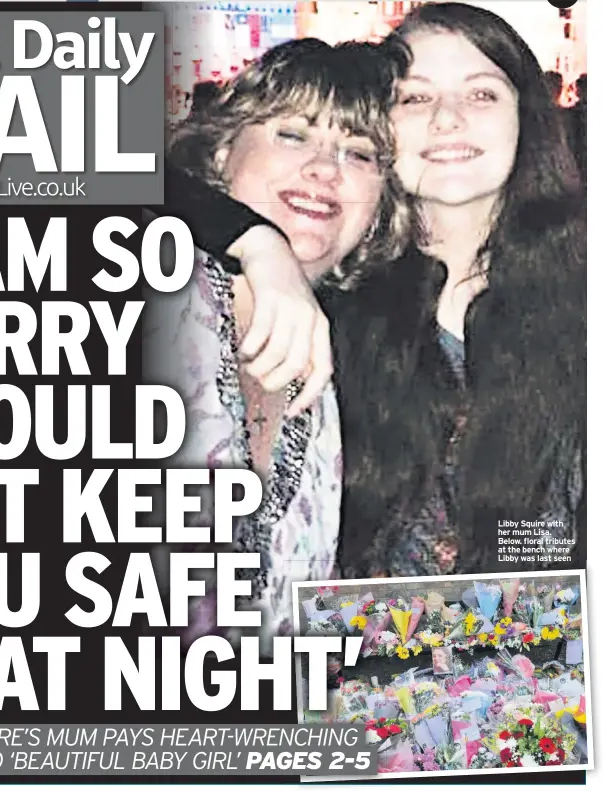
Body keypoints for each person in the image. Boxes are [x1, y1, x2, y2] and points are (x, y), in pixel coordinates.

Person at [161, 2, 585, 579]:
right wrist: (256, 241)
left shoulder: (582, 300)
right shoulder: (337, 298)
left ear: (525, 118)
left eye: (482, 93)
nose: (448, 118)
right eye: (415, 97)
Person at [146, 37, 410, 639]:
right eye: (293, 134)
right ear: (219, 155)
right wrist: (254, 239)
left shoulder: (340, 374)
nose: (325, 168)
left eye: (360, 153)